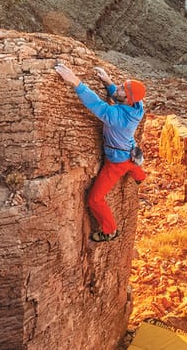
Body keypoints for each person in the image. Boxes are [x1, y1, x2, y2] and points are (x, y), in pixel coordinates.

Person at [55, 62, 146, 242]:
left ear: (128, 99)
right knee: (133, 164)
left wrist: (75, 82)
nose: (118, 87)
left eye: (121, 89)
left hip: (117, 162)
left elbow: (97, 104)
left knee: (94, 200)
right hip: (130, 150)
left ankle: (109, 230)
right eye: (120, 85)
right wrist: (108, 82)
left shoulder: (116, 118)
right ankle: (140, 176)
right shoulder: (138, 106)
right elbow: (121, 97)